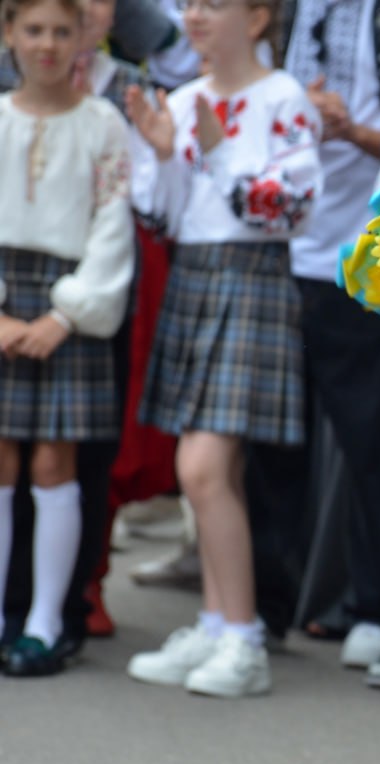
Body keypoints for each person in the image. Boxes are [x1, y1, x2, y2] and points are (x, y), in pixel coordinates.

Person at [123, 0, 322, 698]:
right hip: (195, 274)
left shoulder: (283, 97)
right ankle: (217, 623)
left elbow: (292, 207)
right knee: (213, 475)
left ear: (260, 17)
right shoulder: (183, 98)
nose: (195, 16)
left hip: (253, 275)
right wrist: (157, 152)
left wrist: (217, 150)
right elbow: (161, 214)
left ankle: (243, 637)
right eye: (189, 5)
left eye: (213, 4)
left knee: (203, 466)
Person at [281, 0, 380, 685]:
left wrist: (351, 130)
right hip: (280, 252)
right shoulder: (288, 12)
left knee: (374, 444)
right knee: (273, 444)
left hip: (364, 258)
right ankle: (265, 601)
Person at [0, 0, 134, 676]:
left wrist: (65, 314)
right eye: (32, 30)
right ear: (8, 34)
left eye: (61, 30)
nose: (47, 45)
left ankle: (46, 621)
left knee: (55, 463)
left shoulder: (102, 123)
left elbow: (115, 223)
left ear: (83, 34)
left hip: (69, 301)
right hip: (3, 296)